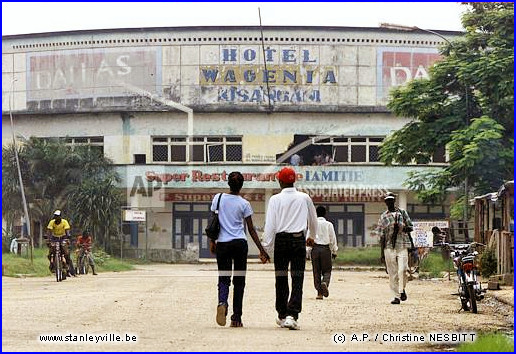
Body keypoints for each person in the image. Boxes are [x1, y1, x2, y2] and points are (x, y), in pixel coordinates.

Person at [210, 171, 270, 328]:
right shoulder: (244, 204)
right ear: (242, 185)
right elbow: (251, 229)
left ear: (228, 183)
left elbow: (213, 222)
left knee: (223, 278)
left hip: (222, 244)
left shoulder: (218, 198)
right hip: (239, 244)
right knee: (239, 281)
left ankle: (222, 302)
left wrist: (211, 241)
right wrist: (262, 250)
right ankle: (236, 318)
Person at [262, 167, 318, 330]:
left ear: (280, 181)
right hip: (297, 240)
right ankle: (292, 315)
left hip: (281, 241)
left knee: (280, 278)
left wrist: (265, 247)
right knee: (297, 278)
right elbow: (313, 220)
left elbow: (270, 226)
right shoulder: (304, 197)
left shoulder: (274, 199)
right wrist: (311, 236)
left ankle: (281, 314)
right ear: (294, 181)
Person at [377, 193, 413, 304]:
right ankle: (396, 296)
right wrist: (382, 254)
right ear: (385, 202)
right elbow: (381, 236)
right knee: (392, 273)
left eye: (391, 200)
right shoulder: (383, 217)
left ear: (394, 200)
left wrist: (401, 228)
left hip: (402, 244)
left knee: (403, 270)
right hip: (388, 247)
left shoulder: (402, 212)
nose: (389, 202)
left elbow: (410, 227)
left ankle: (402, 289)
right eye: (387, 200)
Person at [307, 206, 338, 300]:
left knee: (316, 271)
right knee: (327, 270)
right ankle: (325, 282)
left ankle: (319, 293)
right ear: (325, 214)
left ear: (316, 213)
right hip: (325, 249)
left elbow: (308, 238)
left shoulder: (312, 224)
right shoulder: (328, 224)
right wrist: (334, 251)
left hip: (315, 249)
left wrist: (308, 251)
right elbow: (332, 239)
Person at [46, 210, 76, 277]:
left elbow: (67, 230)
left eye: (57, 216)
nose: (56, 218)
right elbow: (49, 231)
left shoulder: (64, 222)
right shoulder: (52, 222)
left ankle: (67, 265)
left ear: (60, 217)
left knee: (65, 252)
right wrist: (48, 238)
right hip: (54, 238)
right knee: (50, 252)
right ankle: (53, 264)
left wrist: (68, 236)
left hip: (63, 237)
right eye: (55, 216)